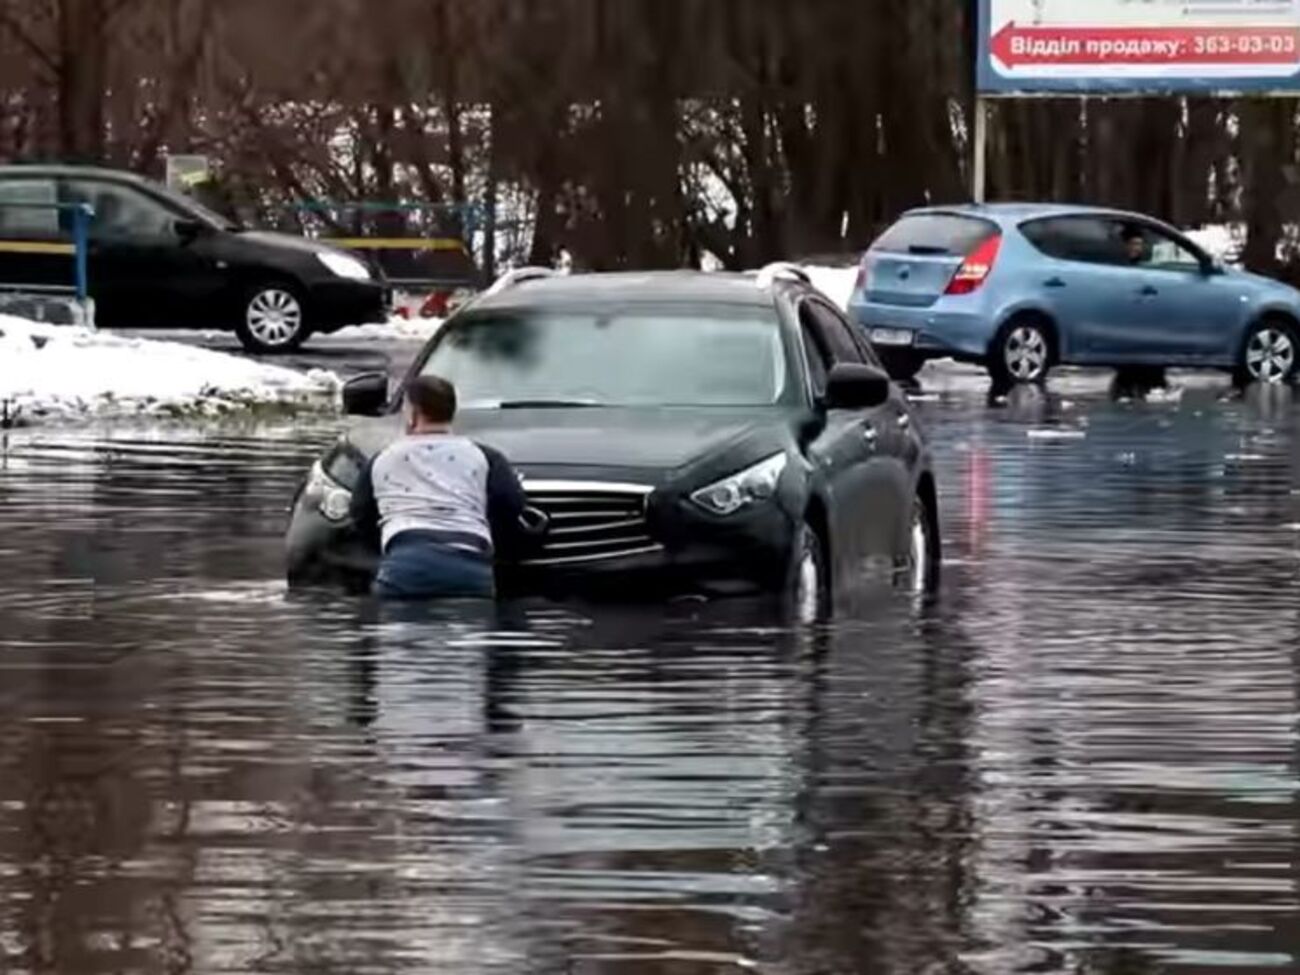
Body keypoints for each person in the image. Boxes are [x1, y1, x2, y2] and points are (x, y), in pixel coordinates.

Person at [350, 374, 536, 600]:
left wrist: (387, 551)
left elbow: (360, 514)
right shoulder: (486, 457)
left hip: (405, 566)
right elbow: (511, 505)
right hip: (471, 569)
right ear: (451, 411)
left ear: (413, 414)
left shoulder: (383, 459)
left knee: (397, 632)